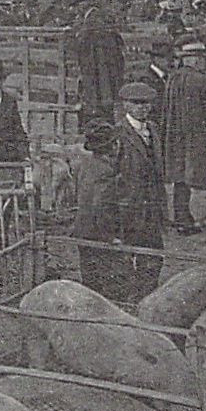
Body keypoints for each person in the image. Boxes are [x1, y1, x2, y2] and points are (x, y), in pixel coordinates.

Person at [163, 41, 206, 232]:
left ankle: (182, 219)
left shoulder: (172, 79)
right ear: (193, 59)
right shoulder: (203, 80)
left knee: (181, 179)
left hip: (177, 139)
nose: (204, 63)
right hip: (203, 138)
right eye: (202, 59)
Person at [111, 81, 166, 300]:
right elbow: (113, 173)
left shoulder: (153, 129)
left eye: (147, 104)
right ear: (125, 105)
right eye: (137, 103)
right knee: (127, 255)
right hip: (129, 205)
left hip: (152, 204)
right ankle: (129, 298)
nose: (143, 108)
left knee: (154, 255)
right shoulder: (118, 133)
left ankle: (147, 296)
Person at [70, 119, 129, 300]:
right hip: (97, 234)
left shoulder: (84, 165)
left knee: (90, 278)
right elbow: (101, 208)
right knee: (105, 285)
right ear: (112, 147)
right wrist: (111, 236)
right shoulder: (105, 171)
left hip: (83, 229)